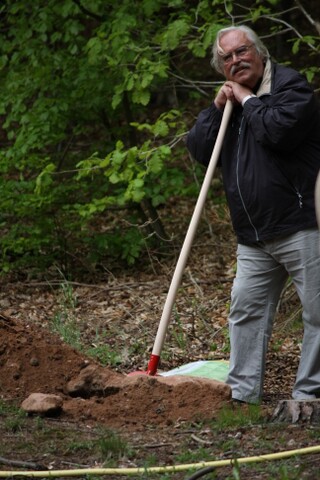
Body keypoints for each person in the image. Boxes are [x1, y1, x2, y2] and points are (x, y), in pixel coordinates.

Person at [186, 25, 320, 404]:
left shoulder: (292, 88)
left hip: (302, 224)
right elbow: (198, 149)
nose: (235, 61)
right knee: (246, 312)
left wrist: (246, 99)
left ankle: (309, 396)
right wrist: (216, 109)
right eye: (226, 58)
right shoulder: (228, 105)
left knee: (318, 313)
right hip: (253, 235)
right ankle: (243, 396)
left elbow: (279, 132)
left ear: (259, 52)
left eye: (241, 52)